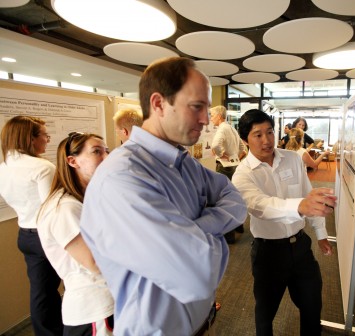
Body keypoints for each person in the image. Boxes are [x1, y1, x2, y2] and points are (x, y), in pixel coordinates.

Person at [80, 57, 247, 335]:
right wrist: (209, 230)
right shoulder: (122, 177)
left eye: (207, 108)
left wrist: (193, 230)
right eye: (197, 107)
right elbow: (198, 274)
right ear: (158, 104)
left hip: (201, 323)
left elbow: (235, 200)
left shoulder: (183, 160)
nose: (206, 120)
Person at [231, 109, 336, 336]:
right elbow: (261, 206)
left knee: (311, 306)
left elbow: (309, 196)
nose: (266, 140)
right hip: (268, 253)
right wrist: (299, 206)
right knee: (265, 315)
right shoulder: (242, 174)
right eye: (257, 135)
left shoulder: (292, 159)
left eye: (269, 132)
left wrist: (321, 233)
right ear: (244, 139)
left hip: (300, 247)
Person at [37, 132, 114, 336]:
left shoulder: (87, 199)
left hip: (109, 300)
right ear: (72, 161)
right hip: (94, 308)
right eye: (97, 152)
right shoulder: (65, 208)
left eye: (107, 151)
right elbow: (95, 262)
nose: (106, 158)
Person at [0, 116, 64, 336]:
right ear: (30, 138)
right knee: (77, 284)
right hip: (47, 236)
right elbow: (53, 208)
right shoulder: (42, 167)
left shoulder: (3, 167)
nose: (47, 140)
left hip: (25, 235)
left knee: (41, 293)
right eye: (44, 136)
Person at [210, 105, 247, 243]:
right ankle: (239, 226)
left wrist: (221, 154)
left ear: (219, 116)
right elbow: (243, 148)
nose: (211, 118)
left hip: (224, 167)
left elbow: (214, 145)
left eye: (212, 115)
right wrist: (234, 157)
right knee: (235, 197)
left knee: (224, 200)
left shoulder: (222, 128)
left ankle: (229, 235)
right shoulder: (231, 128)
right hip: (235, 166)